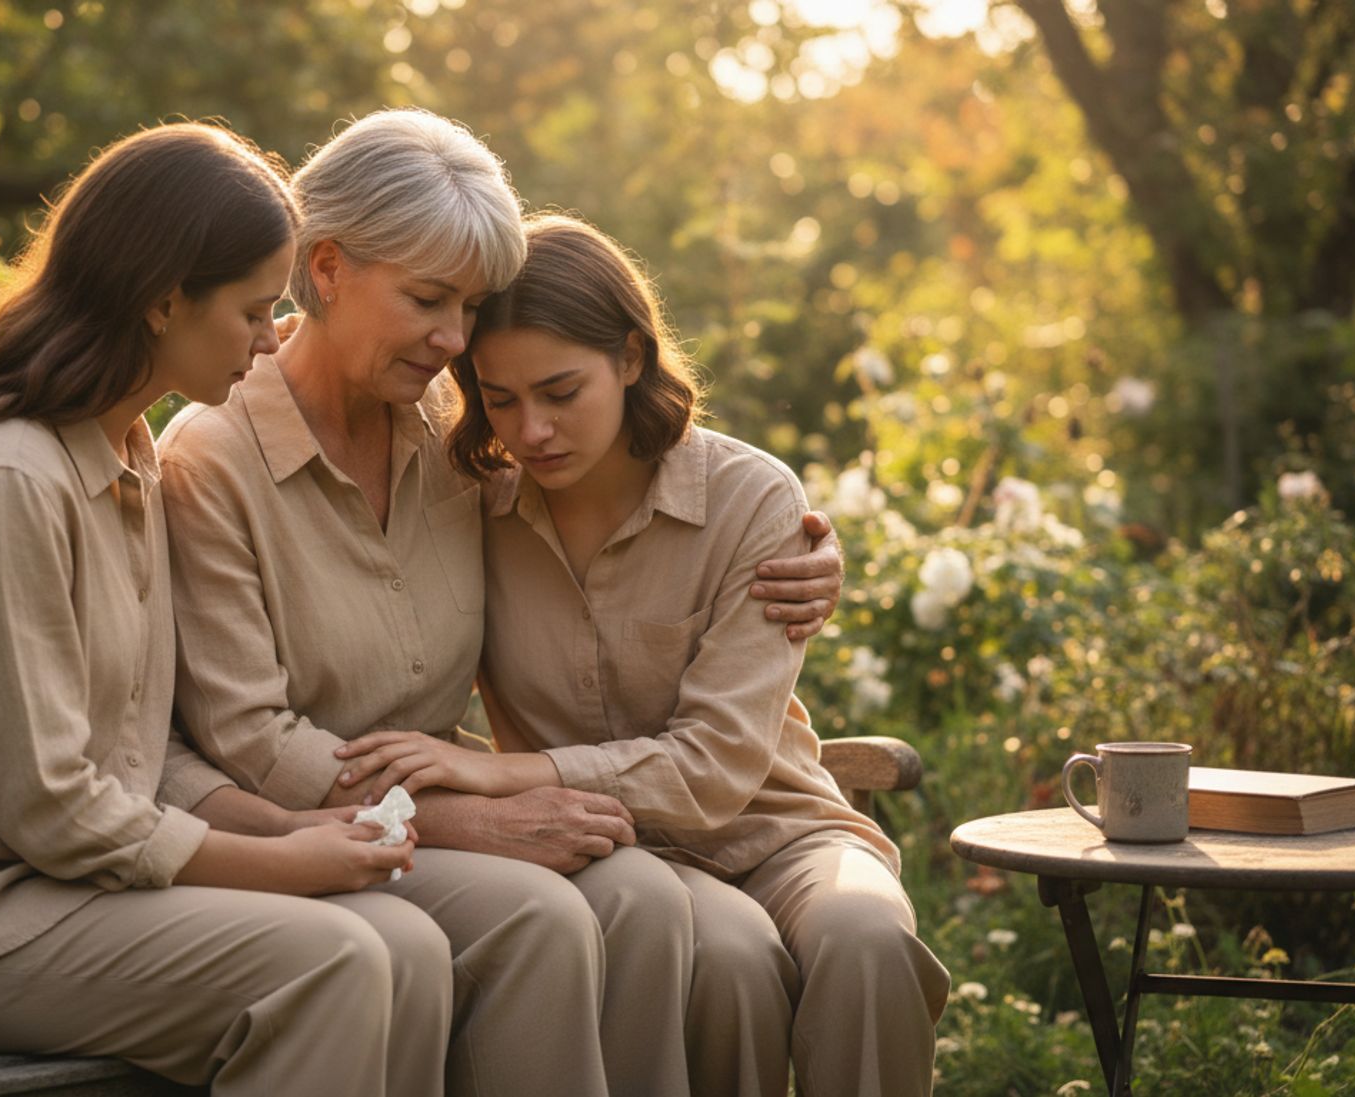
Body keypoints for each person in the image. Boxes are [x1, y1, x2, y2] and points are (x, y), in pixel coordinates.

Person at [159, 109, 847, 1097]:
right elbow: (252, 740)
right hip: (307, 823)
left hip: (454, 802)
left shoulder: (454, 429)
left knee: (649, 901)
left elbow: (622, 470)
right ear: (325, 270)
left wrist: (805, 550)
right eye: (430, 299)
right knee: (550, 916)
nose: (454, 341)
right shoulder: (214, 454)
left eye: (470, 307)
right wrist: (465, 819)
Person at [0, 123, 450, 1097]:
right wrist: (289, 864)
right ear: (161, 300)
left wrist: (284, 828)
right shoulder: (6, 480)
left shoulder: (130, 456)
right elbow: (52, 801)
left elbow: (132, 748)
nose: (272, 337)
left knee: (411, 944)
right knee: (331, 960)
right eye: (253, 309)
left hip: (62, 893)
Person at [337, 214, 951, 1097]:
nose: (532, 429)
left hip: (781, 830)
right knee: (730, 964)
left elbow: (716, 768)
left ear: (631, 357)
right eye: (500, 398)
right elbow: (352, 380)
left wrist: (508, 774)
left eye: (560, 390)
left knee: (869, 939)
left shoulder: (750, 500)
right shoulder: (468, 504)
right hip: (614, 855)